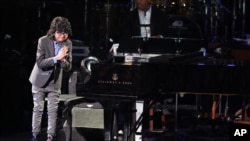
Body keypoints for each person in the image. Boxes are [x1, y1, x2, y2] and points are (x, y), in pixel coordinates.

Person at [29, 16, 73, 141]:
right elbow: (40, 63)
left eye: (65, 33)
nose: (62, 36)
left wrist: (63, 60)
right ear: (54, 31)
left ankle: (50, 136)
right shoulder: (42, 41)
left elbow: (69, 67)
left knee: (53, 110)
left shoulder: (68, 43)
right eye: (60, 33)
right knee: (38, 108)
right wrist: (56, 58)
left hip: (54, 81)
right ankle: (35, 134)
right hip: (39, 80)